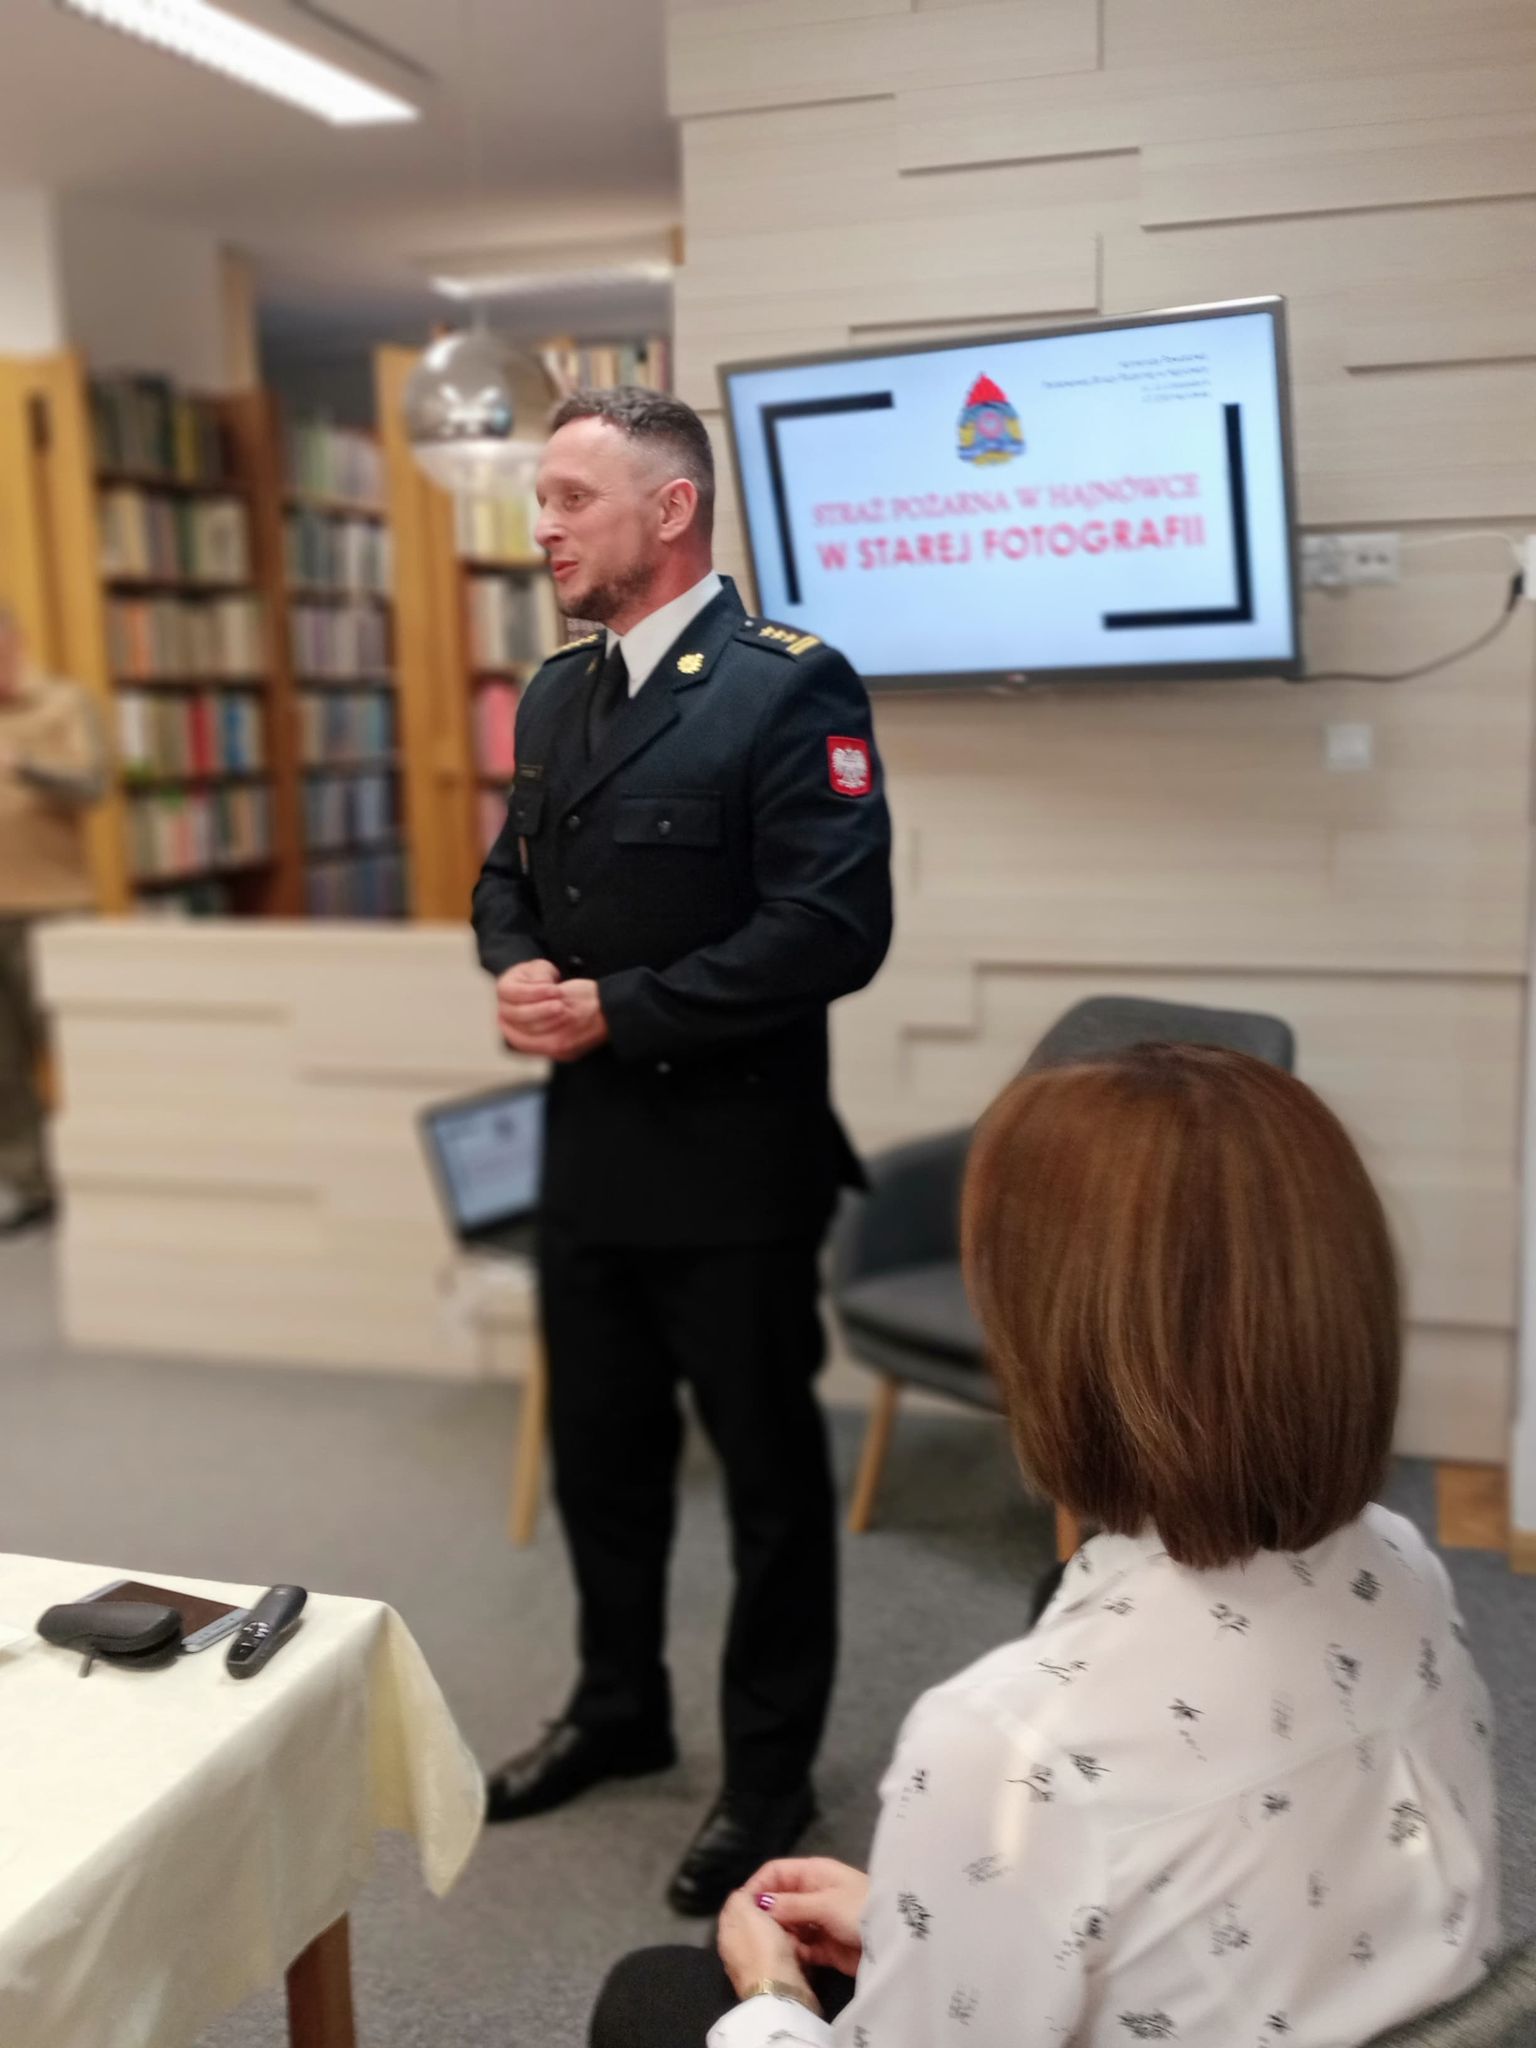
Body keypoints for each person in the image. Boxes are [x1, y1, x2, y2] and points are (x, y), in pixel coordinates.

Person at [591, 1044, 1501, 2046]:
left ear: (1046, 1342)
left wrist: (776, 1998)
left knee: (656, 1995)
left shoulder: (1003, 1748)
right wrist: (921, 1916)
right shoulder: (1404, 1567)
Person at [470, 388, 893, 1914]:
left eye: (571, 498)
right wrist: (515, 962)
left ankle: (768, 1773)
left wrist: (621, 1007)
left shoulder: (788, 685)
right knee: (604, 1465)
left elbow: (834, 929)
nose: (542, 527)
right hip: (589, 1160)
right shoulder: (557, 694)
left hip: (735, 1172)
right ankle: (618, 1706)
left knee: (770, 1490)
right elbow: (507, 877)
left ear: (671, 510)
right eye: (540, 499)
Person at [0, 606, 107, 1234]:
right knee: (2, 1066)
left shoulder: (63, 702)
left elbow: (93, 787)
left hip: (54, 909)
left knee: (75, 1052)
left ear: (14, 643)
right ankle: (28, 1184)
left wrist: (24, 766)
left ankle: (100, 1174)